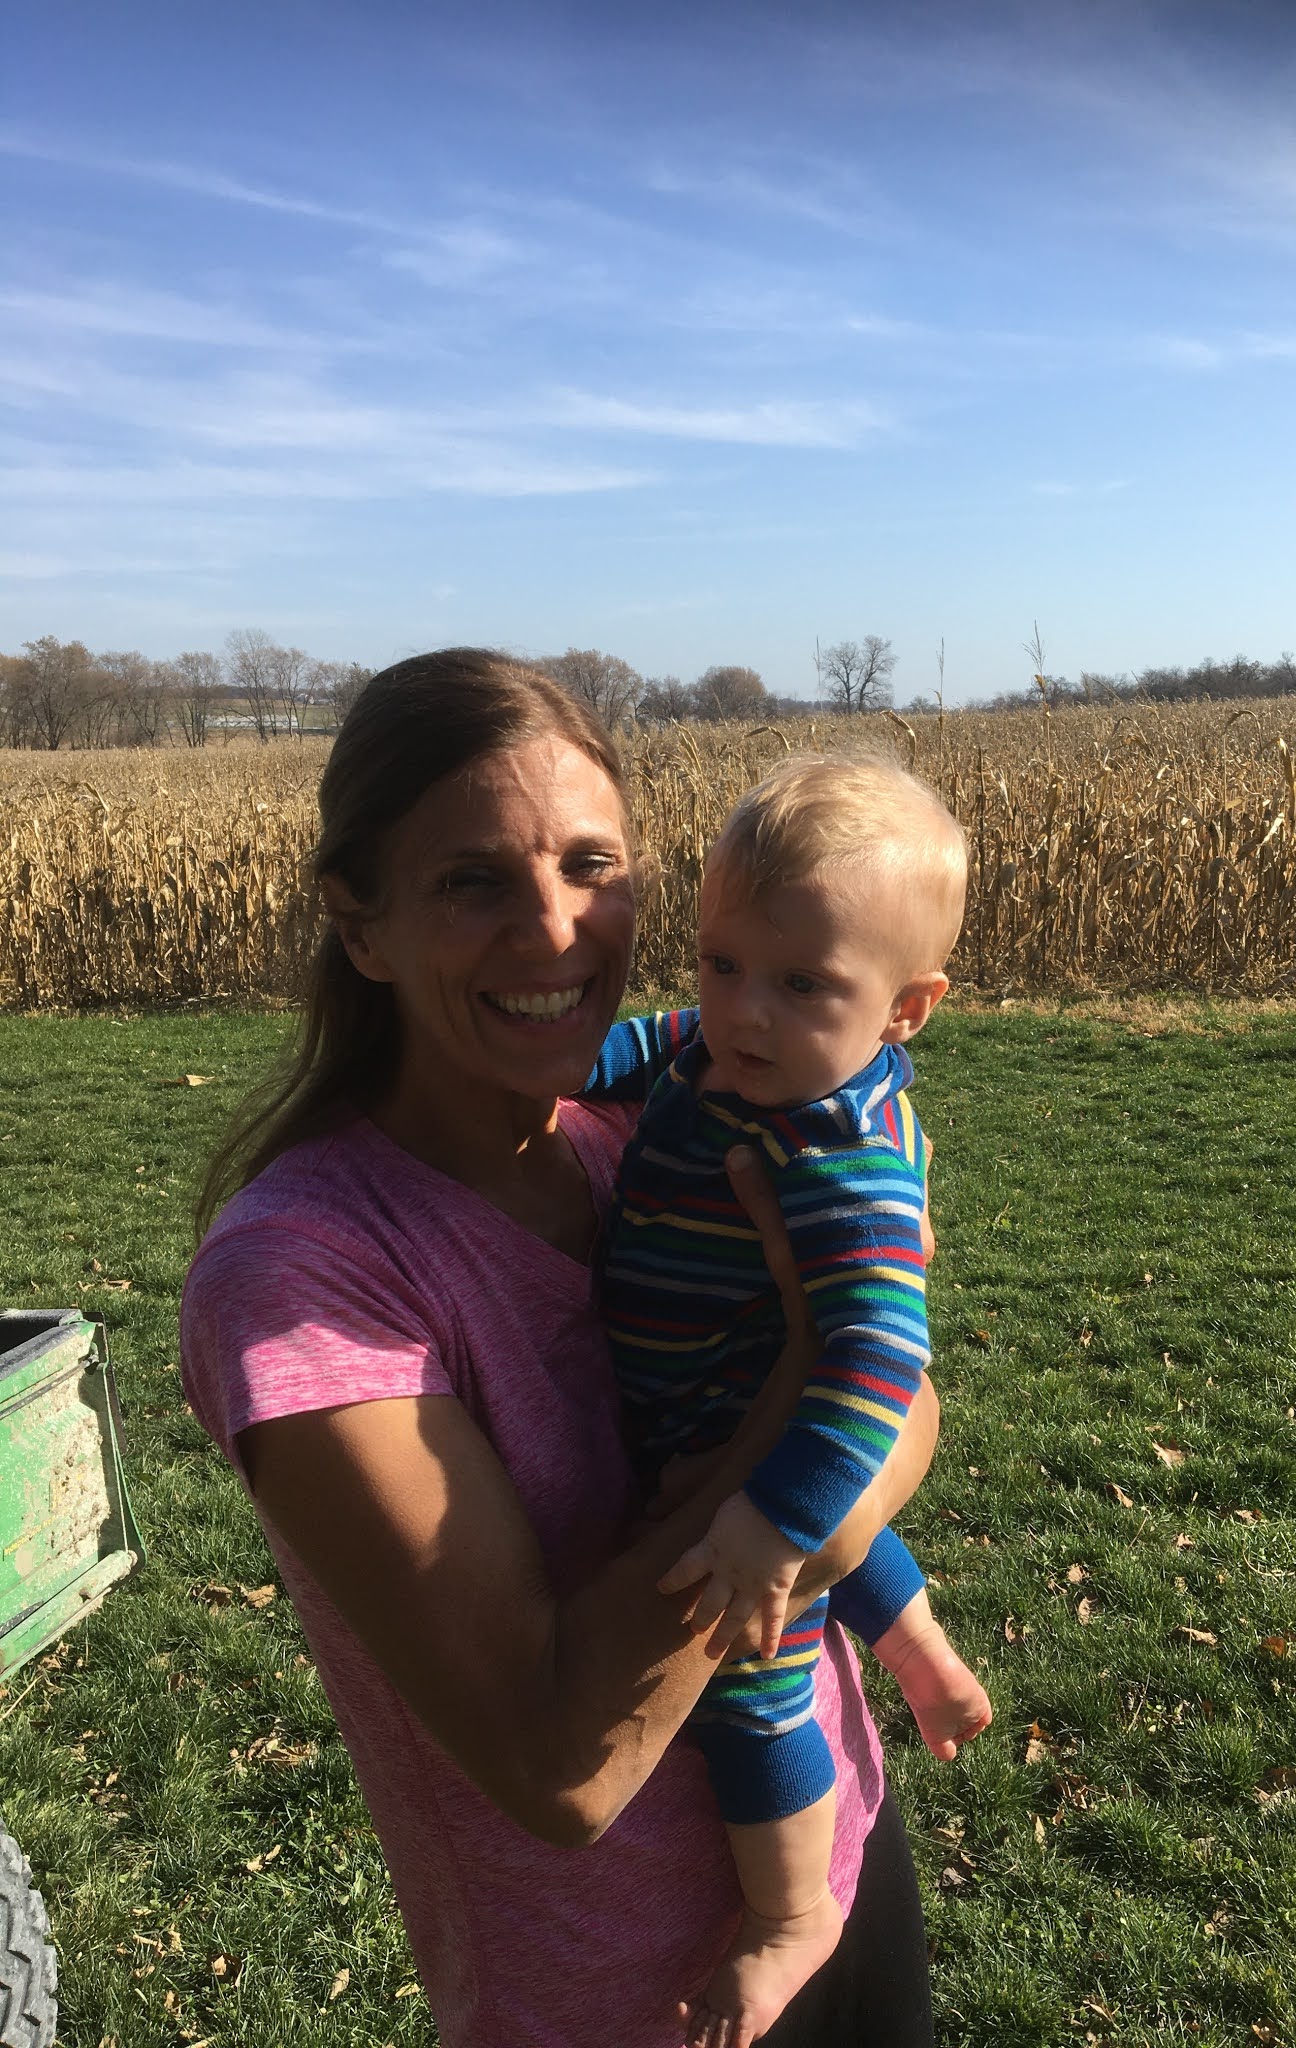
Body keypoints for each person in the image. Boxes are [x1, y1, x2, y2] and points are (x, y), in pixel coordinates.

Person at [179, 650, 942, 2048]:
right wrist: (802, 1398)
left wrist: (823, 1502)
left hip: (833, 1840)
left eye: (592, 865)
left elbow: (910, 1400)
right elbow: (560, 1762)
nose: (552, 931)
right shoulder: (303, 1280)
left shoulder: (657, 1126)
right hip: (619, 1995)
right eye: (472, 881)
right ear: (361, 924)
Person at [588, 758, 991, 2046]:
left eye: (804, 985)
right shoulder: (725, 1051)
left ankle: (791, 1912)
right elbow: (642, 1042)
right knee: (833, 1562)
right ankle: (921, 1655)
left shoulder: (839, 1155)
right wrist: (548, 1061)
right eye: (722, 964)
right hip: (716, 1405)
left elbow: (876, 1359)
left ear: (908, 1007)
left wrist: (772, 1523)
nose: (744, 1012)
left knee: (749, 1679)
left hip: (745, 1445)